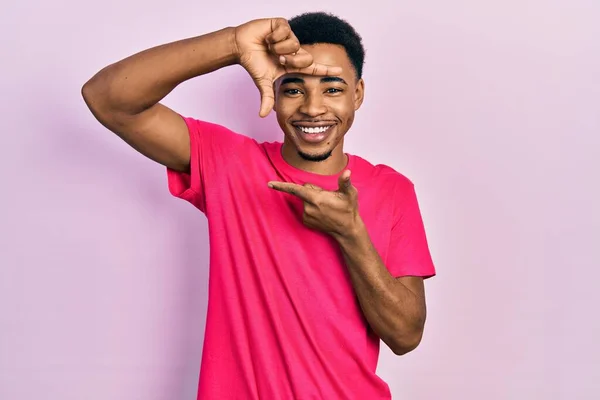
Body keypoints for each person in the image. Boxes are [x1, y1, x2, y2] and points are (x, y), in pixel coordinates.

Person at [82, 11, 436, 400]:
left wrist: (350, 234)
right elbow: (108, 99)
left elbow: (405, 336)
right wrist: (233, 44)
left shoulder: (392, 189)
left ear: (358, 94)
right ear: (274, 90)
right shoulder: (229, 163)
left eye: (332, 88)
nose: (313, 108)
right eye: (294, 88)